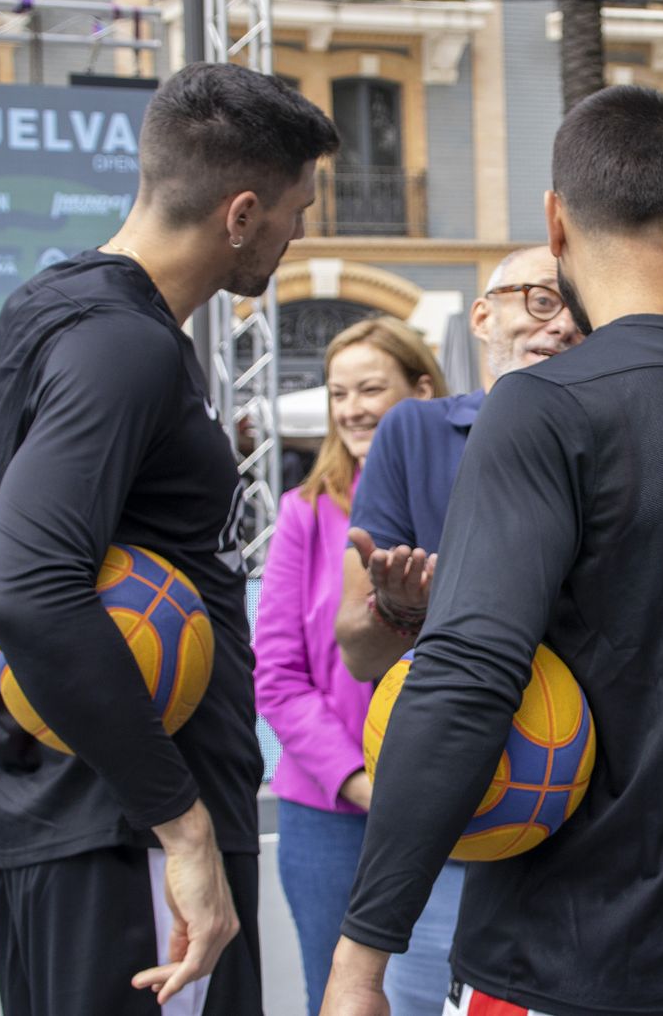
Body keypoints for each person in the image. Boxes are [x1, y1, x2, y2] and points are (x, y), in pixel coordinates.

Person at [321, 85, 663, 1016]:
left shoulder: (540, 407)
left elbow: (465, 677)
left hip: (566, 963)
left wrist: (361, 959)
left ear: (555, 217)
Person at [0, 62, 338, 1016]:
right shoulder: (120, 344)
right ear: (240, 214)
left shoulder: (67, 312)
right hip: (125, 840)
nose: (299, 231)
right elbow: (31, 587)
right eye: (295, 210)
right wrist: (184, 827)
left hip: (106, 825)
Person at [325, 245, 582, 1015]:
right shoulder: (417, 433)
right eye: (539, 298)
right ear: (482, 313)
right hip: (449, 816)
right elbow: (357, 648)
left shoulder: (608, 430)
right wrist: (400, 613)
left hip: (577, 809)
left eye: (577, 302)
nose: (562, 321)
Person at [254, 317, 447, 1016]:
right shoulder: (303, 514)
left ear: (423, 391)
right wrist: (360, 782)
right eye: (339, 392)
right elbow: (276, 675)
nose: (353, 407)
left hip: (454, 807)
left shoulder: (469, 499)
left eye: (371, 387)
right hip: (332, 815)